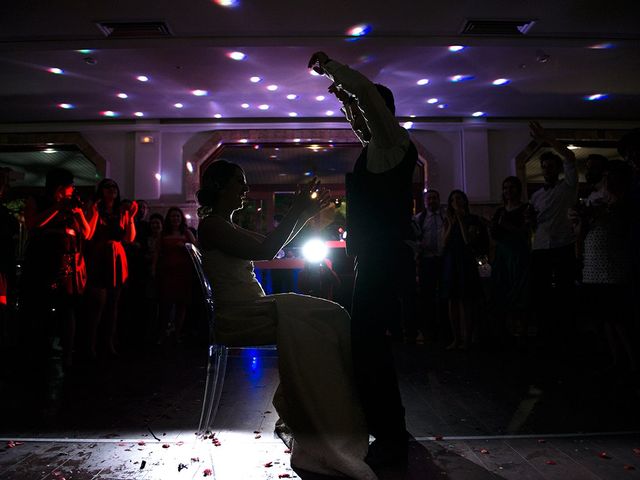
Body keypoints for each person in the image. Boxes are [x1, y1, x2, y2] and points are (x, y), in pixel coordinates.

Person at [197, 160, 377, 480]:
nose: (246, 188)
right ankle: (326, 424)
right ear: (219, 188)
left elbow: (270, 244)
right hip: (241, 315)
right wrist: (297, 210)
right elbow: (268, 249)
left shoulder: (226, 224)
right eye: (239, 182)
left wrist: (304, 215)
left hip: (254, 308)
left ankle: (336, 418)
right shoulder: (212, 226)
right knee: (331, 315)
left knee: (331, 315)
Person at [308, 51, 416, 466]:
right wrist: (343, 99)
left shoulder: (393, 141)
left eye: (366, 113)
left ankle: (390, 429)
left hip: (384, 255)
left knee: (369, 340)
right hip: (374, 256)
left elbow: (368, 98)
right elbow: (360, 113)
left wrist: (332, 69)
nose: (358, 122)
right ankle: (387, 426)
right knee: (368, 341)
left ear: (382, 113)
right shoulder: (378, 149)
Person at [22, 168, 92, 368]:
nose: (73, 190)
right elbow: (33, 224)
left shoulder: (73, 206)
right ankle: (37, 351)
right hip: (41, 262)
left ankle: (68, 352)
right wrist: (58, 207)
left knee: (67, 308)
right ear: (61, 187)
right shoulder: (37, 201)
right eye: (72, 185)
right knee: (39, 306)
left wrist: (78, 212)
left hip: (67, 265)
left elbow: (86, 233)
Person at [528, 121, 578, 348]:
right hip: (540, 248)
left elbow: (569, 157)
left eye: (550, 167)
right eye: (544, 167)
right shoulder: (536, 196)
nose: (547, 170)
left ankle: (565, 335)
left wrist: (547, 137)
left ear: (557, 169)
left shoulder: (567, 187)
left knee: (564, 292)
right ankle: (545, 336)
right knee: (542, 293)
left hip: (562, 245)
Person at [84, 178, 136, 358]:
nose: (112, 189)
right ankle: (90, 344)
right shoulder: (96, 208)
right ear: (101, 190)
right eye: (107, 187)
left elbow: (129, 238)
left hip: (117, 256)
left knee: (113, 304)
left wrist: (129, 216)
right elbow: (88, 234)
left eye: (114, 186)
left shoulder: (120, 211)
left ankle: (109, 342)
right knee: (97, 304)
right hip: (99, 254)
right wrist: (94, 211)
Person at [441, 190, 490, 350]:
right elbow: (444, 243)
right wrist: (451, 222)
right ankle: (456, 338)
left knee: (467, 300)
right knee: (452, 300)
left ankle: (468, 339)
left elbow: (468, 241)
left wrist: (461, 220)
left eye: (459, 198)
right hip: (451, 262)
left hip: (466, 262)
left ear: (465, 201)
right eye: (453, 199)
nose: (456, 201)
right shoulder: (448, 221)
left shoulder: (473, 220)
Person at [490, 177, 535, 343]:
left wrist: (507, 226)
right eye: (505, 188)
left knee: (520, 291)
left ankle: (522, 331)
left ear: (518, 189)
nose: (508, 191)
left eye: (511, 187)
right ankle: (507, 331)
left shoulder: (526, 208)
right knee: (503, 289)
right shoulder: (500, 211)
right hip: (502, 254)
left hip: (518, 254)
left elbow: (526, 232)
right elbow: (494, 234)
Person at [156, 206, 197, 343]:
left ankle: (177, 334)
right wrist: (153, 269)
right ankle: (162, 333)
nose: (175, 219)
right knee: (165, 304)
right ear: (169, 218)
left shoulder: (186, 232)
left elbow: (196, 248)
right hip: (167, 272)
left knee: (181, 304)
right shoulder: (163, 234)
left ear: (182, 219)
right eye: (173, 216)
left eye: (178, 216)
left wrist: (185, 246)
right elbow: (157, 252)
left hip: (183, 272)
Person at [413, 189, 446, 342]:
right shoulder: (419, 219)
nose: (432, 201)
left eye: (435, 198)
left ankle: (444, 327)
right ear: (425, 201)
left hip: (442, 259)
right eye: (429, 199)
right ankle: (429, 328)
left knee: (444, 293)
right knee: (427, 295)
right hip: (427, 260)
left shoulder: (444, 218)